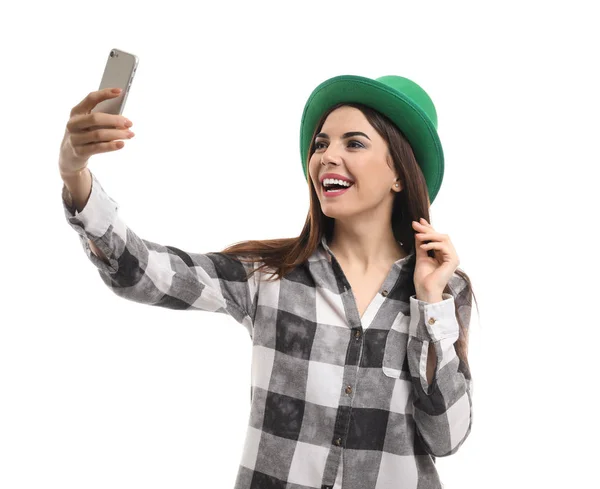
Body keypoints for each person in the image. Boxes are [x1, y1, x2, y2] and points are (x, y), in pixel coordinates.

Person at [59, 74, 478, 489]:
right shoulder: (270, 273)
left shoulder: (443, 290)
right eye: (321, 143)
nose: (327, 156)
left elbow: (446, 438)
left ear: (400, 175)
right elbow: (144, 273)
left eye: (354, 142)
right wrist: (75, 175)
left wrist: (430, 302)